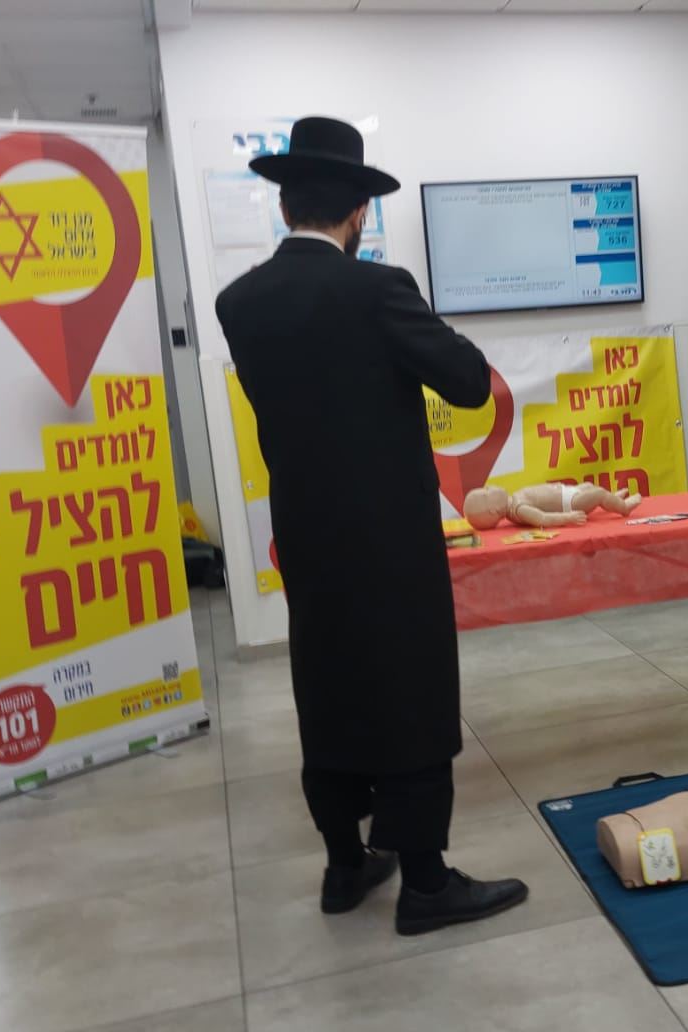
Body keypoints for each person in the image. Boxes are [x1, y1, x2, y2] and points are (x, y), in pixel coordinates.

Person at [216, 116, 527, 934]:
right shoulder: (379, 289)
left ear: (286, 205)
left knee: (327, 686)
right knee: (410, 693)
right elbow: (467, 383)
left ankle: (345, 865)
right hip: (390, 540)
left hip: (306, 535)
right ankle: (425, 882)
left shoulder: (238, 302)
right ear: (358, 211)